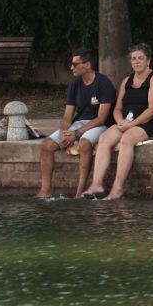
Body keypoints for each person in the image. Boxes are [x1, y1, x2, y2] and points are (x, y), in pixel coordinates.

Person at [82, 43, 153, 200]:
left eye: (140, 58)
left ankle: (117, 188)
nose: (136, 61)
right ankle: (96, 184)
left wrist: (131, 125)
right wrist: (120, 122)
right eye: (133, 58)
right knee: (104, 138)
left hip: (147, 122)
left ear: (148, 61)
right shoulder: (127, 80)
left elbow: (152, 110)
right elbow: (117, 108)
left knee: (127, 139)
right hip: (126, 121)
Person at [35, 49, 117, 198]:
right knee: (46, 145)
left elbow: (101, 118)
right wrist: (64, 131)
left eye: (75, 64)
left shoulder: (104, 83)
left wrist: (77, 134)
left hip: (99, 125)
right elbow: (67, 116)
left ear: (87, 65)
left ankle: (79, 193)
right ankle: (44, 191)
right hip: (78, 124)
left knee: (85, 142)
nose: (71, 67)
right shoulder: (75, 84)